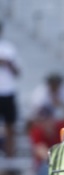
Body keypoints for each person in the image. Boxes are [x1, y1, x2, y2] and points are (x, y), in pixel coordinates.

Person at [0, 22, 19, 158]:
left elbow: (17, 71)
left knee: (10, 125)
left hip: (7, 91)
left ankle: (9, 154)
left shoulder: (9, 48)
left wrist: (7, 63)